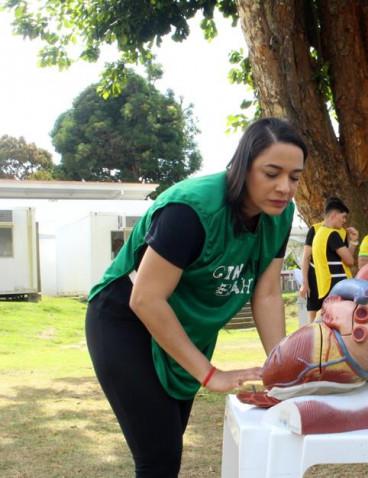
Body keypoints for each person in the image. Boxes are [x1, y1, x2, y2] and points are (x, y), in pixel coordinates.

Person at [84, 117, 307, 477]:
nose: (285, 187)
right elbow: (146, 299)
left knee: (168, 444)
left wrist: (283, 368)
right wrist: (210, 375)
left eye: (294, 177)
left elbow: (266, 294)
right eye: (272, 173)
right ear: (242, 167)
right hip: (124, 319)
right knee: (159, 454)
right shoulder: (189, 212)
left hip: (184, 326)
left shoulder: (280, 216)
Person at [299, 197, 359, 319]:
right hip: (336, 285)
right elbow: (350, 261)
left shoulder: (319, 233)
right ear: (334, 215)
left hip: (324, 286)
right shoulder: (332, 234)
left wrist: (351, 243)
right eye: (343, 217)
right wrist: (354, 242)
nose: (344, 221)